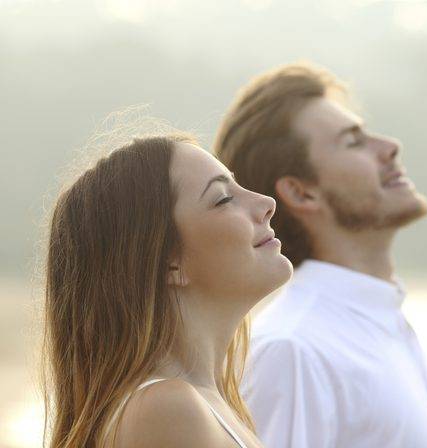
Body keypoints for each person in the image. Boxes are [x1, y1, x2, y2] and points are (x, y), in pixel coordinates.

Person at [214, 62, 427, 448]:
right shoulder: (293, 349)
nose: (390, 146)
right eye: (353, 141)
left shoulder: (380, 324)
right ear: (301, 193)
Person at [42, 132, 292, 448]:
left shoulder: (211, 406)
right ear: (168, 263)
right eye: (223, 198)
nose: (266, 202)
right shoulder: (167, 409)